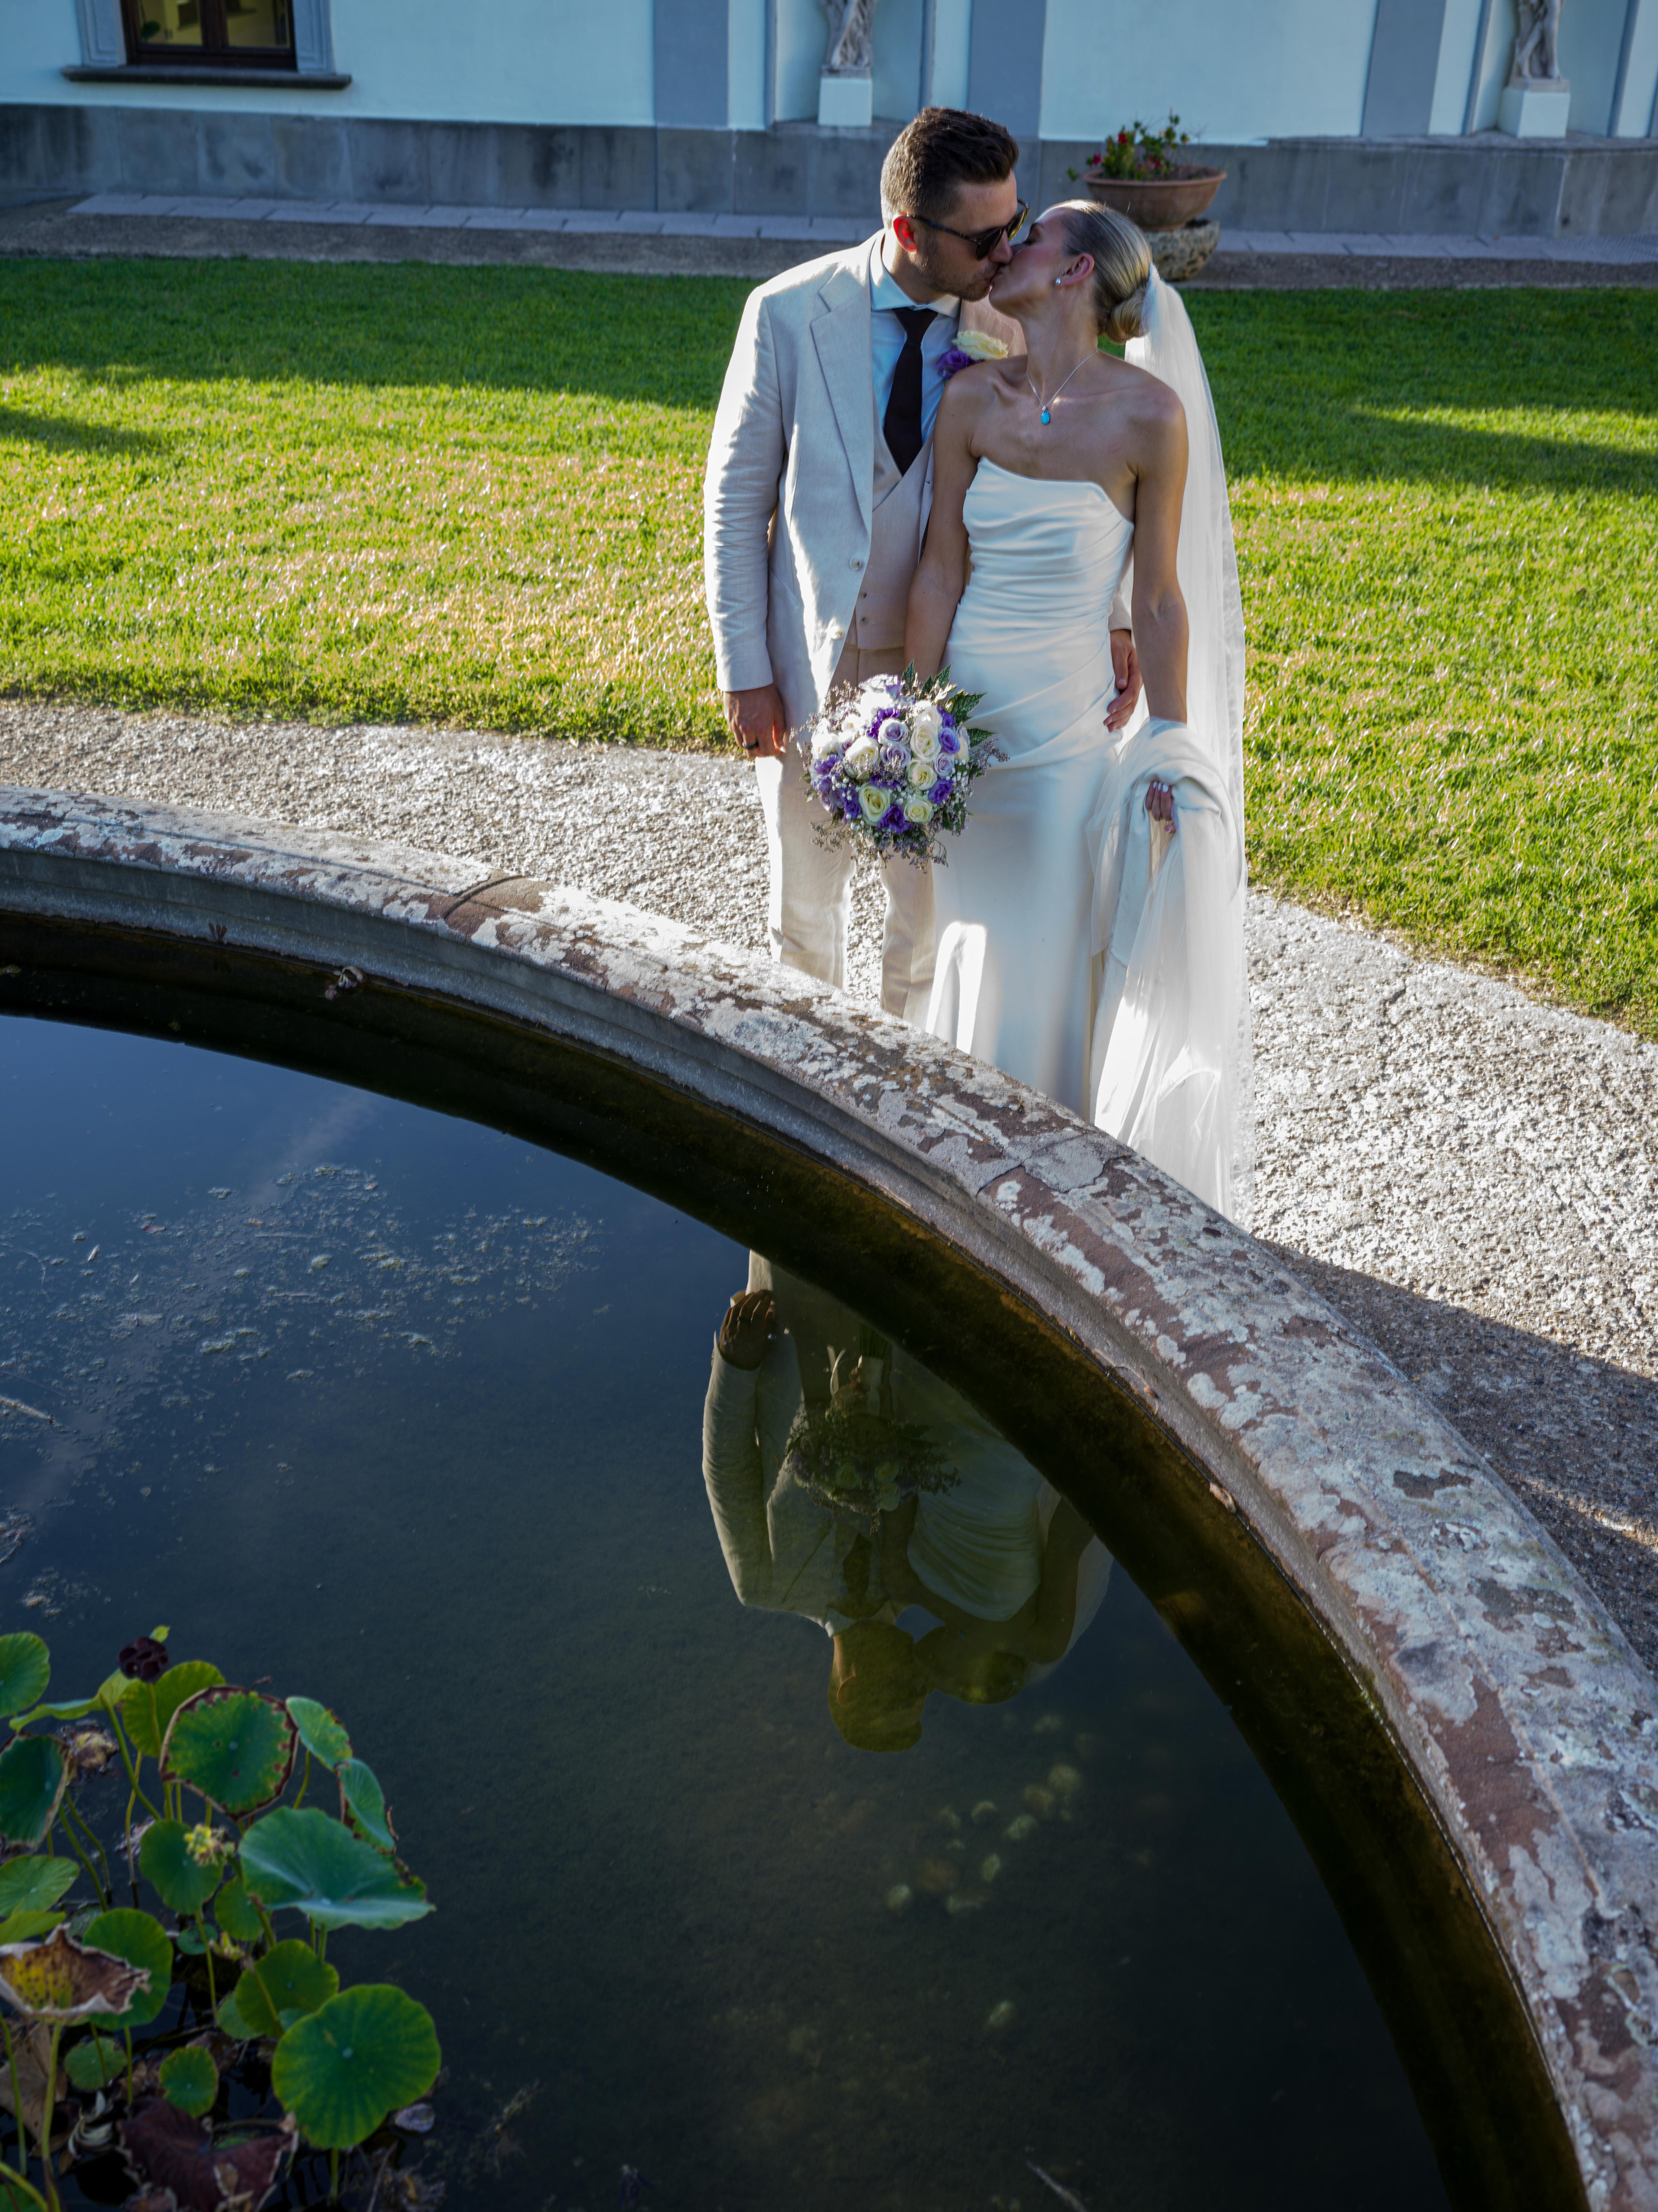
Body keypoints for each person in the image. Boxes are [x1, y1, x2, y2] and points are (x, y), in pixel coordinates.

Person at [703, 109, 1141, 1019]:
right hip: (808, 670)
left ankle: (901, 1115)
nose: (1006, 253)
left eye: (1015, 228)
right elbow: (735, 505)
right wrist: (747, 672)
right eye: (986, 237)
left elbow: (1094, 475)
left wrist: (1118, 613)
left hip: (955, 677)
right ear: (909, 231)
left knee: (927, 925)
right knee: (802, 917)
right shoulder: (786, 313)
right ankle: (803, 1088)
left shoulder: (1017, 322)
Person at [904, 201, 1253, 1222]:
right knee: (966, 940)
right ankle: (953, 1169)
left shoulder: (1150, 417)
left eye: (1036, 237)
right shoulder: (970, 399)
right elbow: (938, 572)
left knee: (1041, 954)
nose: (1009, 249)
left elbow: (1156, 597)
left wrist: (1172, 749)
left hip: (1062, 743)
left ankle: (1035, 1196)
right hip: (968, 735)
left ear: (1074, 277)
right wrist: (915, 722)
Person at [700, 1261, 1110, 1752]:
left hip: (785, 1327)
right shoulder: (922, 1573)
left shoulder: (762, 1584)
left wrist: (735, 1364)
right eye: (922, 1693)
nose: (921, 1681)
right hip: (894, 1320)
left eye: (903, 1691)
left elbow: (728, 1468)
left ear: (850, 1688)